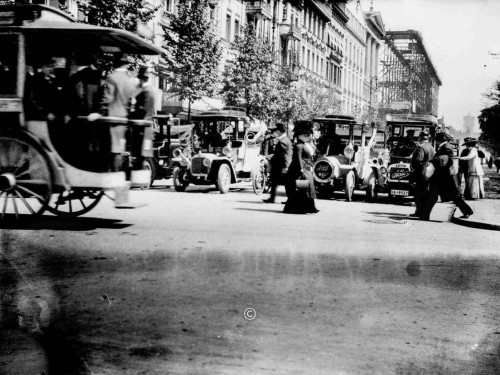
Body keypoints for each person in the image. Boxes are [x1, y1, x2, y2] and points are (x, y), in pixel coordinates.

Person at [96, 54, 137, 172]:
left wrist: (99, 111)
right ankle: (117, 174)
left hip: (112, 117)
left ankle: (110, 174)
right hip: (122, 117)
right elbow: (131, 101)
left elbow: (108, 98)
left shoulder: (112, 77)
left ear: (115, 63)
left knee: (110, 148)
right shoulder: (129, 81)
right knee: (118, 148)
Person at [420, 132, 473, 220]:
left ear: (440, 140)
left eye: (436, 140)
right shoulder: (444, 146)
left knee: (440, 196)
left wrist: (435, 161)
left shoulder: (446, 147)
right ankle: (424, 215)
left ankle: (424, 215)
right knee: (434, 196)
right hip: (442, 177)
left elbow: (446, 160)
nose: (436, 142)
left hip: (444, 177)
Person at [283, 121, 319, 214]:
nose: (308, 137)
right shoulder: (299, 146)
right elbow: (298, 159)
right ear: (300, 135)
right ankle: (303, 208)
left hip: (306, 168)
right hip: (299, 169)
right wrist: (301, 169)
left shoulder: (303, 144)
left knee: (308, 187)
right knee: (302, 189)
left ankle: (311, 207)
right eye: (305, 135)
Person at [129, 66, 156, 170]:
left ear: (142, 79)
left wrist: (130, 114)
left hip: (142, 128)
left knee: (141, 155)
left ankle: (141, 176)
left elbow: (142, 111)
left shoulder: (145, 92)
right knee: (142, 155)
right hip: (145, 128)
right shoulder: (148, 91)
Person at [263, 123, 293, 203]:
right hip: (282, 165)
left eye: (276, 130)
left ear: (279, 131)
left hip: (280, 166)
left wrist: (285, 166)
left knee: (282, 183)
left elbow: (284, 155)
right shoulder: (287, 139)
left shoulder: (282, 141)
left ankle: (286, 199)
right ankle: (274, 198)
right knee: (276, 182)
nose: (275, 132)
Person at [409, 131, 435, 217]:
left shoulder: (420, 147)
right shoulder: (431, 147)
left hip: (420, 174)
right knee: (425, 193)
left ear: (420, 138)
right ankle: (423, 212)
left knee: (419, 194)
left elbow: (417, 161)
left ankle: (419, 211)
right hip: (429, 173)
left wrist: (414, 171)